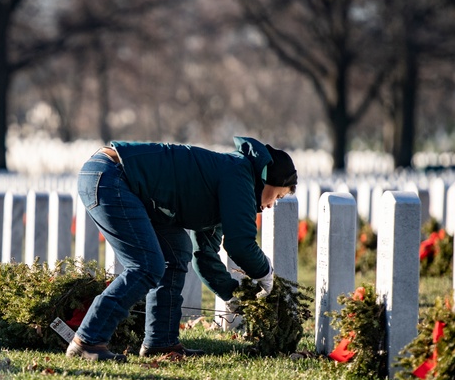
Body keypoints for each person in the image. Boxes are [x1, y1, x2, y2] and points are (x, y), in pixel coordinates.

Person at [67, 136, 298, 362]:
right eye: (277, 195)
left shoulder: (232, 180)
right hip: (112, 175)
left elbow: (205, 257)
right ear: (267, 178)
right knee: (146, 266)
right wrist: (265, 272)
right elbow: (240, 244)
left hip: (120, 180)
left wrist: (236, 296)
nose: (271, 205)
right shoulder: (239, 174)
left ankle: (161, 342)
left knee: (176, 252)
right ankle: (88, 341)